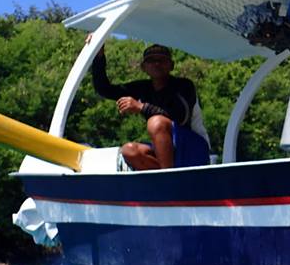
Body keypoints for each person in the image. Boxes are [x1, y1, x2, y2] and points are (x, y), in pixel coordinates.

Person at [90, 41, 211, 170]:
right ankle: (165, 180)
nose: (156, 64)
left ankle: (169, 178)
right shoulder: (143, 88)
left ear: (172, 65)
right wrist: (98, 55)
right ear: (143, 67)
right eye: (151, 60)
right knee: (129, 151)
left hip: (195, 149)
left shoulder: (184, 86)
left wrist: (141, 107)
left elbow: (180, 117)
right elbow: (105, 89)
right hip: (170, 154)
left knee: (156, 122)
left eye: (162, 60)